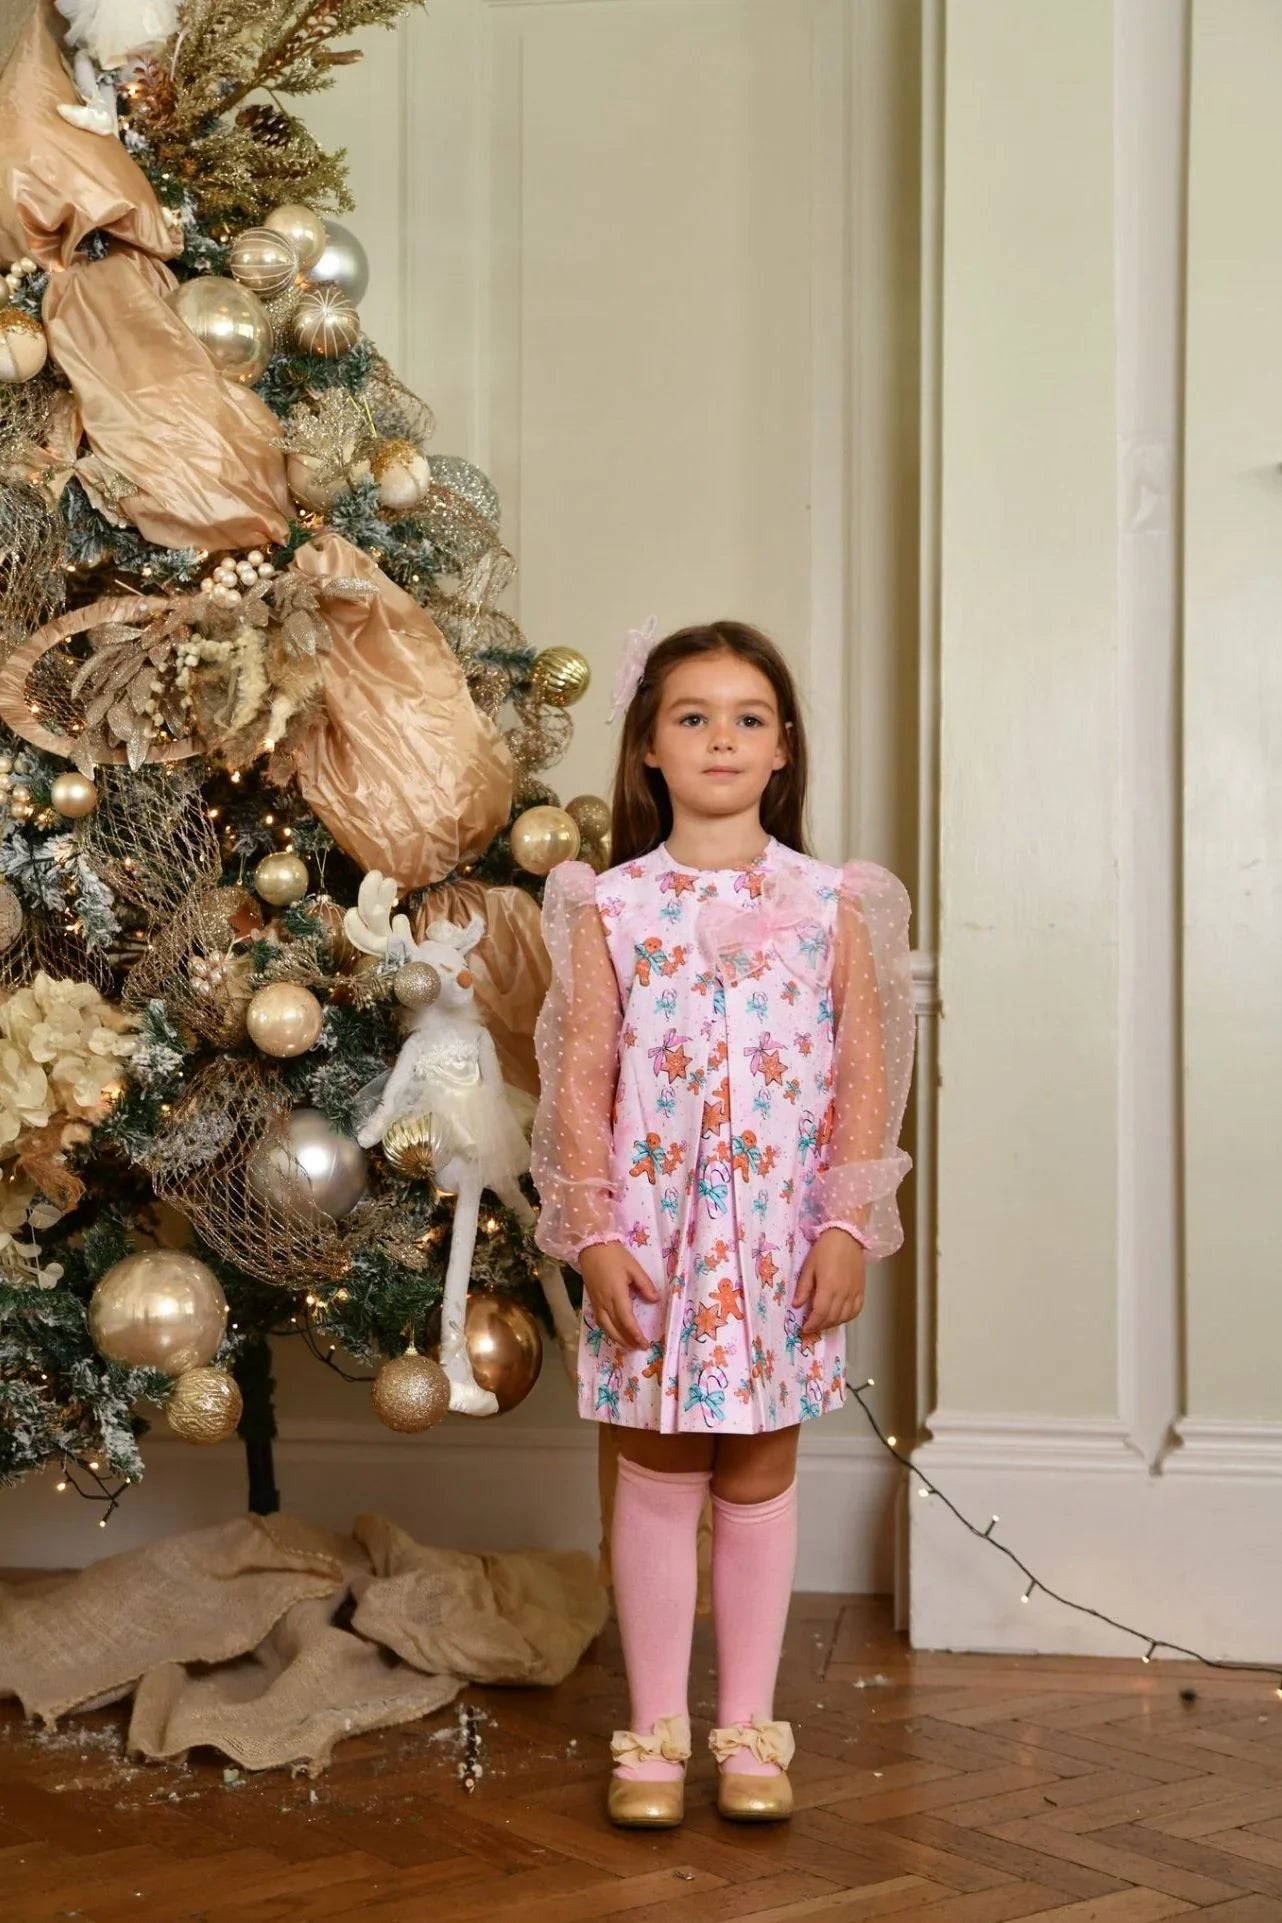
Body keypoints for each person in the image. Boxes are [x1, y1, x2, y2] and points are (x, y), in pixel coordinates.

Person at [530, 618, 916, 1829]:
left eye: (747, 717)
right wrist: (590, 1234)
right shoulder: (609, 906)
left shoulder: (833, 900)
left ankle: (748, 1730)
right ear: (648, 744)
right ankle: (652, 1731)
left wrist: (848, 1226)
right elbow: (578, 1079)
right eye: (692, 716)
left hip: (782, 1242)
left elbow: (866, 1077)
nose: (720, 738)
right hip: (653, 1241)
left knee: (758, 1467)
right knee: (656, 1467)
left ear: (784, 747)